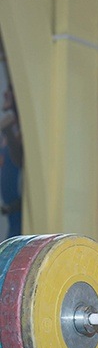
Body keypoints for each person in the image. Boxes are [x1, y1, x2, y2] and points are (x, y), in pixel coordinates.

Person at [0, 85, 23, 238]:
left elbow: (19, 160)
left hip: (20, 217)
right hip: (11, 217)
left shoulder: (20, 130)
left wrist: (7, 130)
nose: (5, 94)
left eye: (10, 89)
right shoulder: (9, 131)